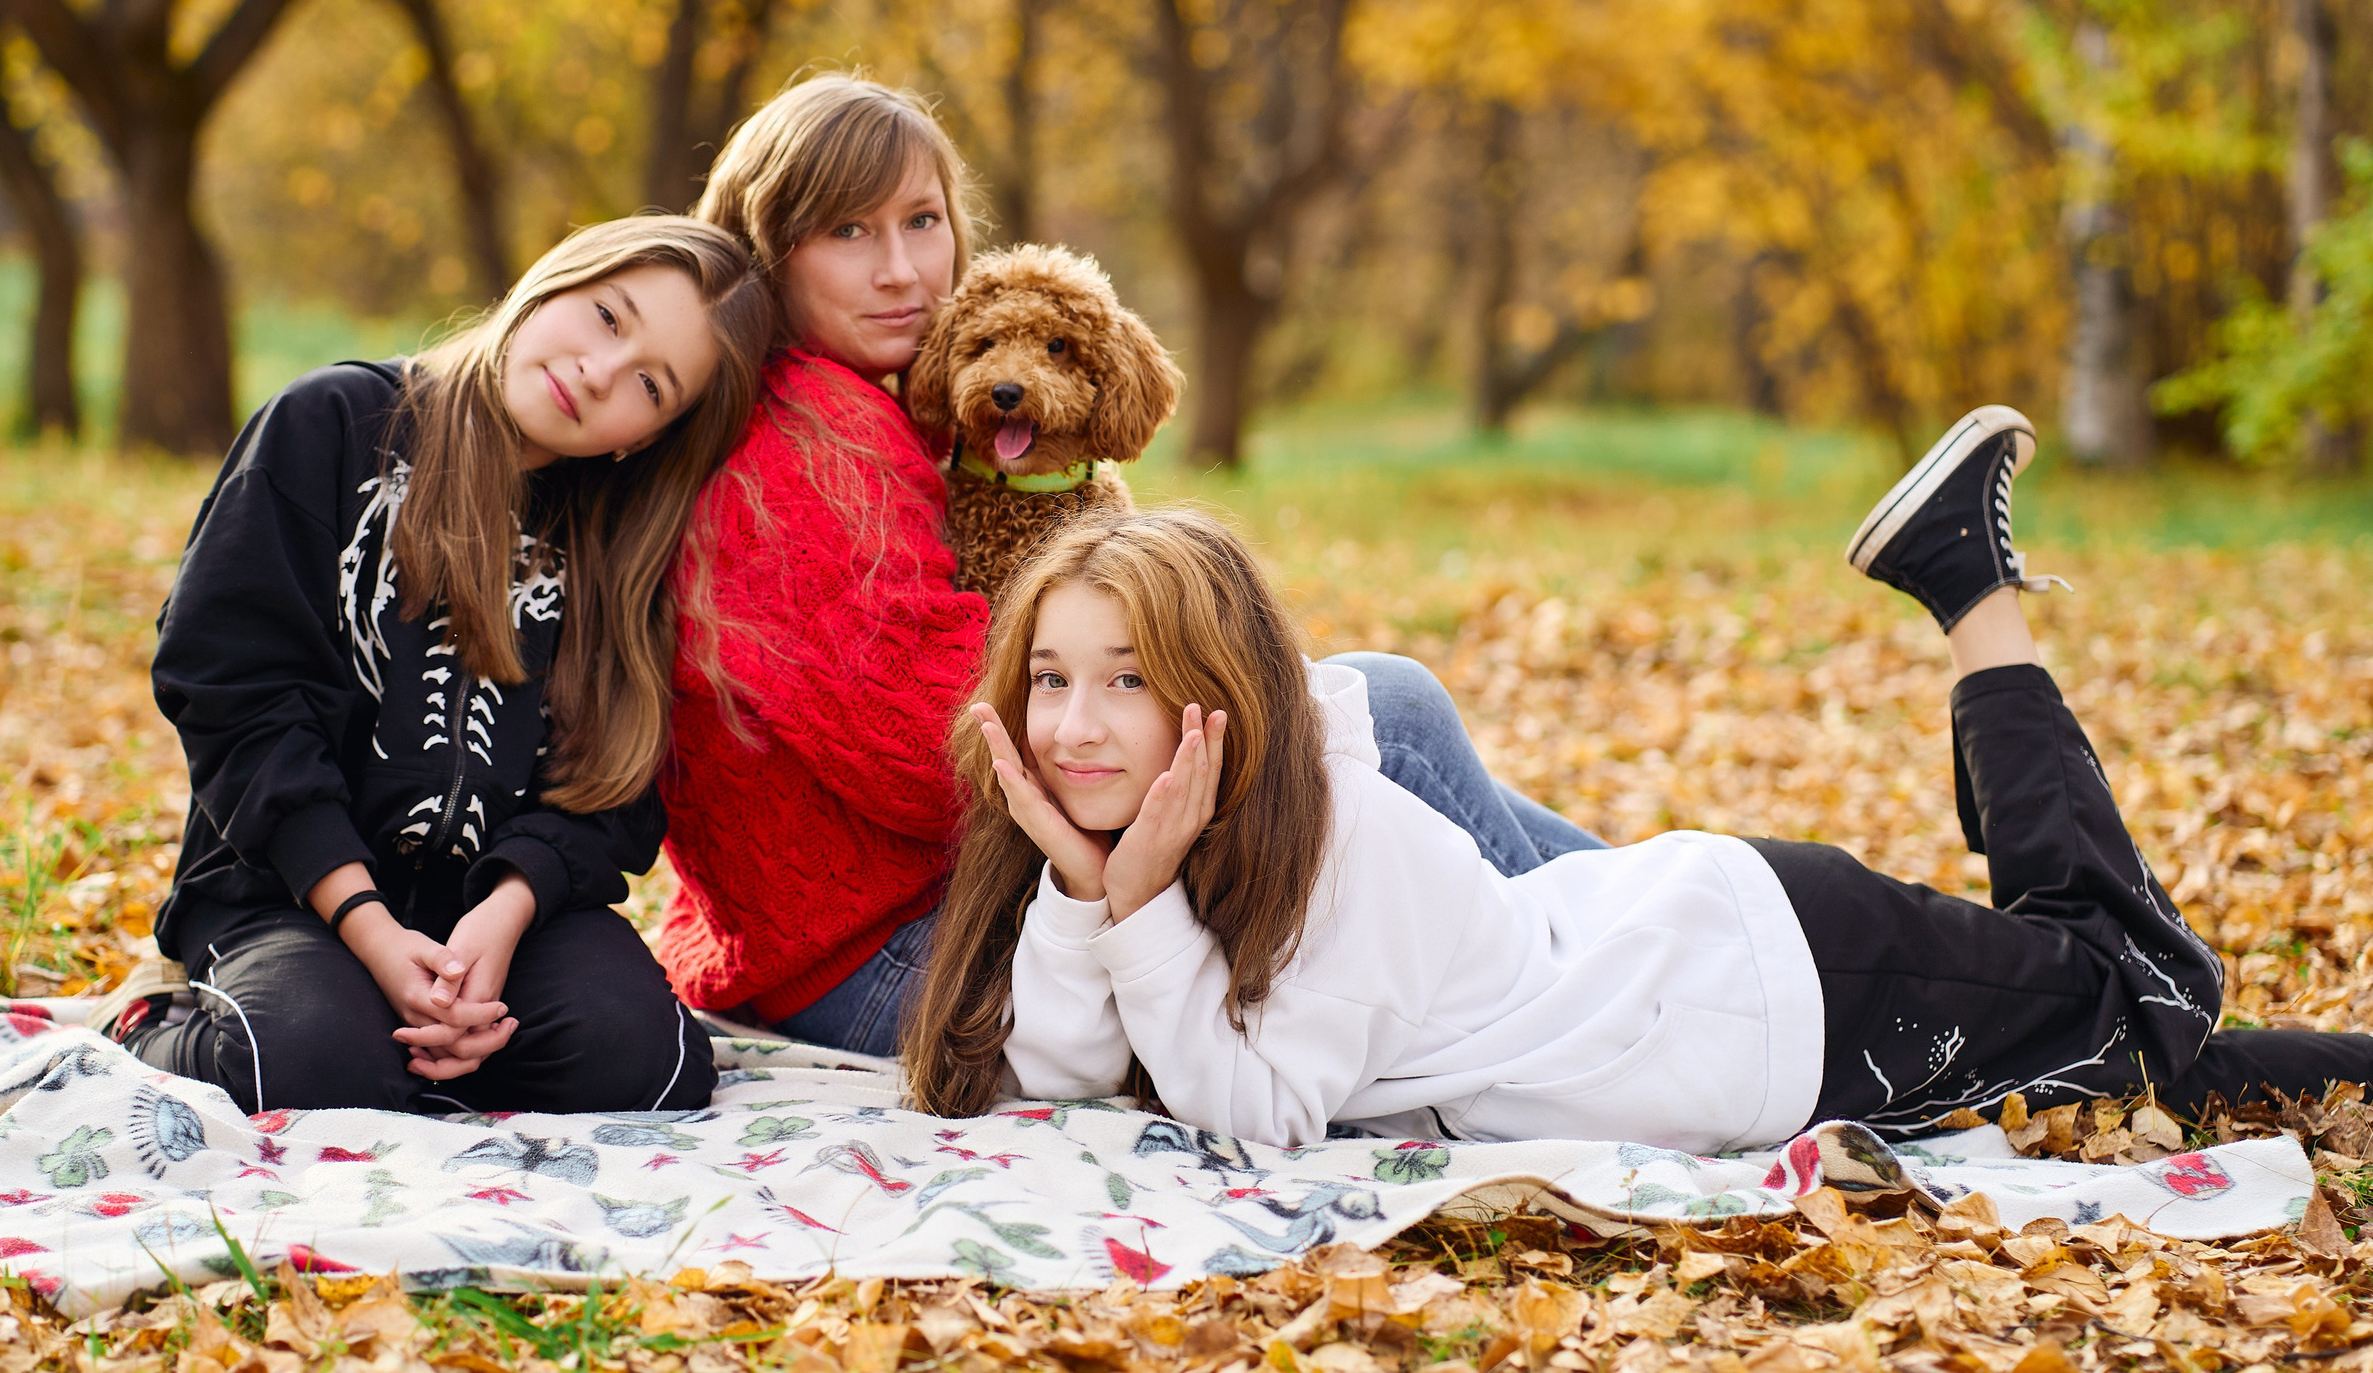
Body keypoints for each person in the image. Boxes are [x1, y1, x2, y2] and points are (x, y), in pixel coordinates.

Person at [905, 410, 2373, 1147]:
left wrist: (1133, 896)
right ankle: (1966, 580)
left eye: (1125, 678)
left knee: (2154, 1014)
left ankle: (1974, 589)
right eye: (1049, 677)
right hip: (1719, 980)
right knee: (2132, 1022)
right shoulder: (1143, 840)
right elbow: (1055, 1066)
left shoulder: (1341, 842)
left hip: (1781, 981)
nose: (1076, 725)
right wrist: (1087, 887)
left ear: (1211, 699)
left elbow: (1256, 1110)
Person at [654, 72, 1596, 1058]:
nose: (901, 270)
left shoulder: (852, 410)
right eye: (847, 232)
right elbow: (938, 752)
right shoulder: (807, 448)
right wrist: (1188, 709)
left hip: (863, 925)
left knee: (1374, 744)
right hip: (887, 952)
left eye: (922, 220)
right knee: (1386, 723)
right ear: (766, 250)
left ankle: (1657, 930)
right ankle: (1652, 955)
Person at [112, 215, 772, 1115]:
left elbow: (611, 789)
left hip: (494, 922)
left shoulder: (617, 553)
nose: (599, 371)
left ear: (644, 438)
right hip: (291, 895)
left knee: (648, 1061)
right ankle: (161, 1019)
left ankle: (439, 1044)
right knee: (312, 1061)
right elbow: (230, 686)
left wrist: (500, 919)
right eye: (609, 318)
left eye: (650, 386)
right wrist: (373, 931)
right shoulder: (334, 424)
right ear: (557, 279)